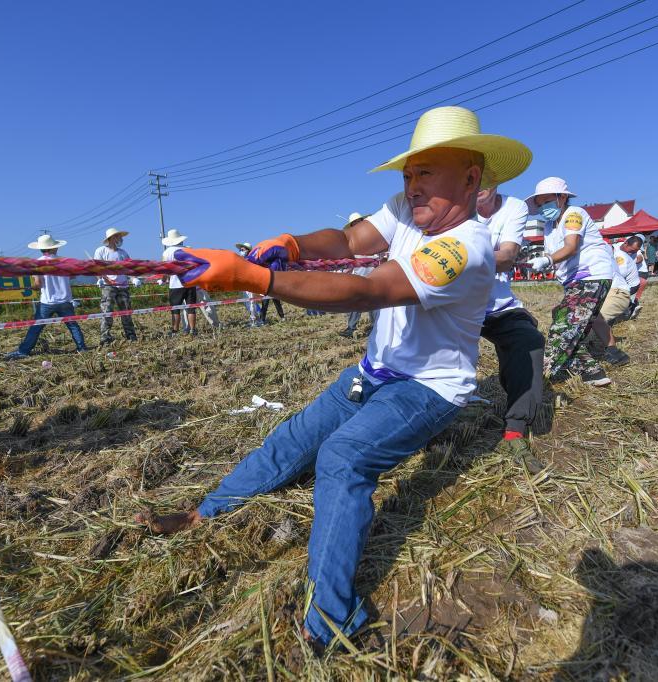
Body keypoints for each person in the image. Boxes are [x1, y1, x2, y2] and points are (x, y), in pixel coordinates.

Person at [134, 106, 531, 648]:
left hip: (429, 387)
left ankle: (331, 621)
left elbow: (368, 289)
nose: (413, 186)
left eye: (426, 173)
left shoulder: (465, 247)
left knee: (343, 457)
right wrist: (295, 246)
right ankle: (206, 513)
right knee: (295, 436)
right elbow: (348, 242)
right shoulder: (408, 211)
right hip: (376, 371)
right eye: (409, 174)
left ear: (470, 177)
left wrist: (258, 277)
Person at [526, 177, 617, 386]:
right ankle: (593, 373)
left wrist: (547, 260)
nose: (543, 207)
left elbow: (571, 247)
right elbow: (556, 252)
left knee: (563, 328)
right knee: (570, 325)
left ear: (562, 197)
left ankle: (538, 375)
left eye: (547, 201)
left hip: (590, 276)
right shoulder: (549, 225)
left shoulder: (573, 215)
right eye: (540, 204)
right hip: (573, 281)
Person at [476, 184, 546, 443]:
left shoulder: (514, 207)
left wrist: (457, 257)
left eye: (485, 178)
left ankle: (516, 424)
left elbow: (506, 255)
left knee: (528, 341)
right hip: (455, 304)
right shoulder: (448, 208)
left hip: (498, 305)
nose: (479, 185)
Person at [5, 234, 87, 359]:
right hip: (65, 300)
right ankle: (82, 348)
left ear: (41, 248)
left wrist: (32, 287)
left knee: (36, 327)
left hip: (47, 301)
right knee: (72, 325)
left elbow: (38, 284)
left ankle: (24, 351)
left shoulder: (37, 264)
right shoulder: (64, 261)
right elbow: (73, 276)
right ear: (54, 248)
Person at [94, 227, 137, 345]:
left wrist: (134, 278)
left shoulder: (123, 253)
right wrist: (100, 279)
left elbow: (130, 268)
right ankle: (105, 338)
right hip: (109, 286)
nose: (120, 238)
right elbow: (97, 268)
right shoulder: (101, 251)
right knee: (107, 312)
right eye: (118, 236)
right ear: (112, 238)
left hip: (123, 286)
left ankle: (131, 335)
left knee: (126, 311)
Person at [161, 229, 198, 336]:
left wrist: (163, 280)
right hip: (190, 282)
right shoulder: (189, 250)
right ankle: (193, 330)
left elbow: (165, 269)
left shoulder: (167, 252)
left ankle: (175, 331)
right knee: (191, 308)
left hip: (175, 285)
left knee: (175, 309)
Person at [235, 242, 261, 326]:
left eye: (242, 250)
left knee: (251, 302)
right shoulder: (241, 260)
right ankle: (257, 319)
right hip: (243, 284)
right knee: (247, 302)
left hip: (249, 284)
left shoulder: (250, 259)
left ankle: (255, 320)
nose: (240, 251)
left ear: (248, 251)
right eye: (240, 250)